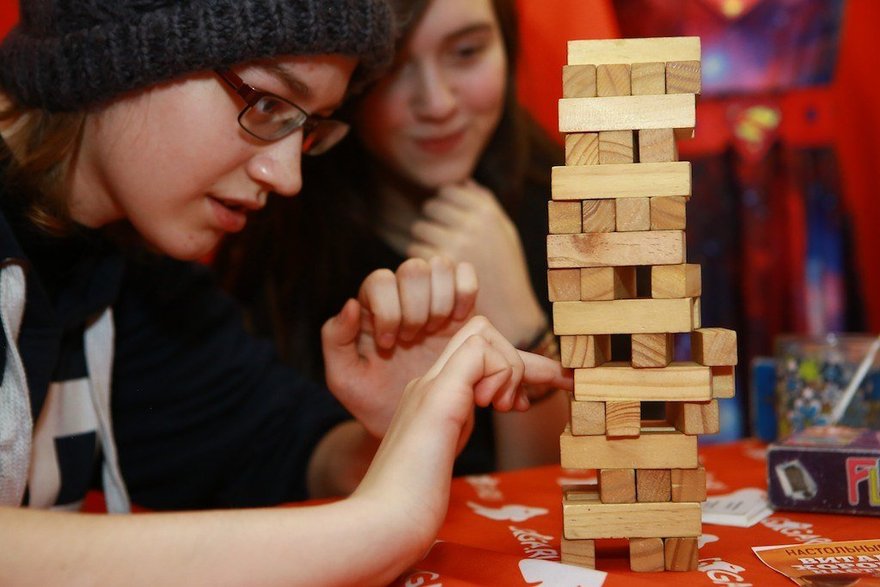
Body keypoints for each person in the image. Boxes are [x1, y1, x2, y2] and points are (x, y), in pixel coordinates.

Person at [0, 0, 571, 584]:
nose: (287, 176)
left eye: (308, 128)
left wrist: (400, 430)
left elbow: (282, 451)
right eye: (267, 104)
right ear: (119, 56)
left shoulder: (138, 277)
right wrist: (378, 529)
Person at [216, 0, 570, 474]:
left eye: (466, 52)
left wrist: (521, 326)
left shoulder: (579, 208)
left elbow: (588, 500)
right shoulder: (275, 238)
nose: (438, 103)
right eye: (393, 68)